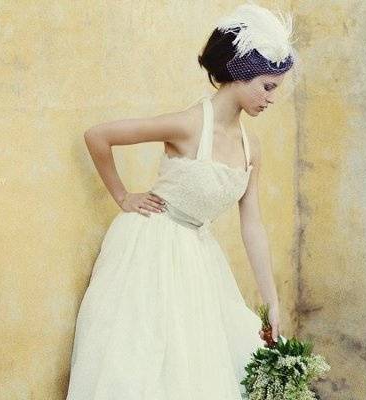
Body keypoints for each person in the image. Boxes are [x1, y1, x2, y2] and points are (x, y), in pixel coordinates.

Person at [66, 2, 297, 399]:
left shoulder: (250, 147)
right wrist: (123, 196)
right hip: (150, 248)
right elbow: (97, 135)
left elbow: (252, 225)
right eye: (268, 85)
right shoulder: (188, 124)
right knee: (144, 361)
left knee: (198, 367)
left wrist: (271, 301)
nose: (272, 98)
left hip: (197, 254)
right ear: (240, 76)